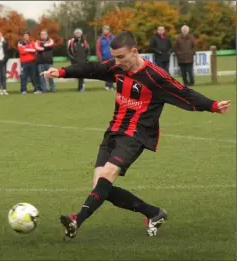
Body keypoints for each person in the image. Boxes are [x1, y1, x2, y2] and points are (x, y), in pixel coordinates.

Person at [41, 31, 230, 240]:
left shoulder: (155, 76)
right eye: (114, 57)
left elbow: (184, 93)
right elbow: (92, 68)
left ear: (134, 51)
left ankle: (76, 220)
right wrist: (61, 72)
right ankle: (153, 213)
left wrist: (212, 105)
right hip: (113, 131)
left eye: (121, 57)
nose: (117, 61)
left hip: (137, 135)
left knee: (106, 177)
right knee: (100, 188)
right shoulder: (116, 67)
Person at [96, 25, 114, 91]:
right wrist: (100, 57)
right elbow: (98, 49)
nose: (105, 31)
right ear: (103, 31)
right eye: (104, 30)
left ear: (109, 30)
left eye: (106, 29)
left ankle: (111, 86)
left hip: (112, 57)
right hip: (104, 58)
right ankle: (107, 85)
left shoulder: (113, 38)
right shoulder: (100, 39)